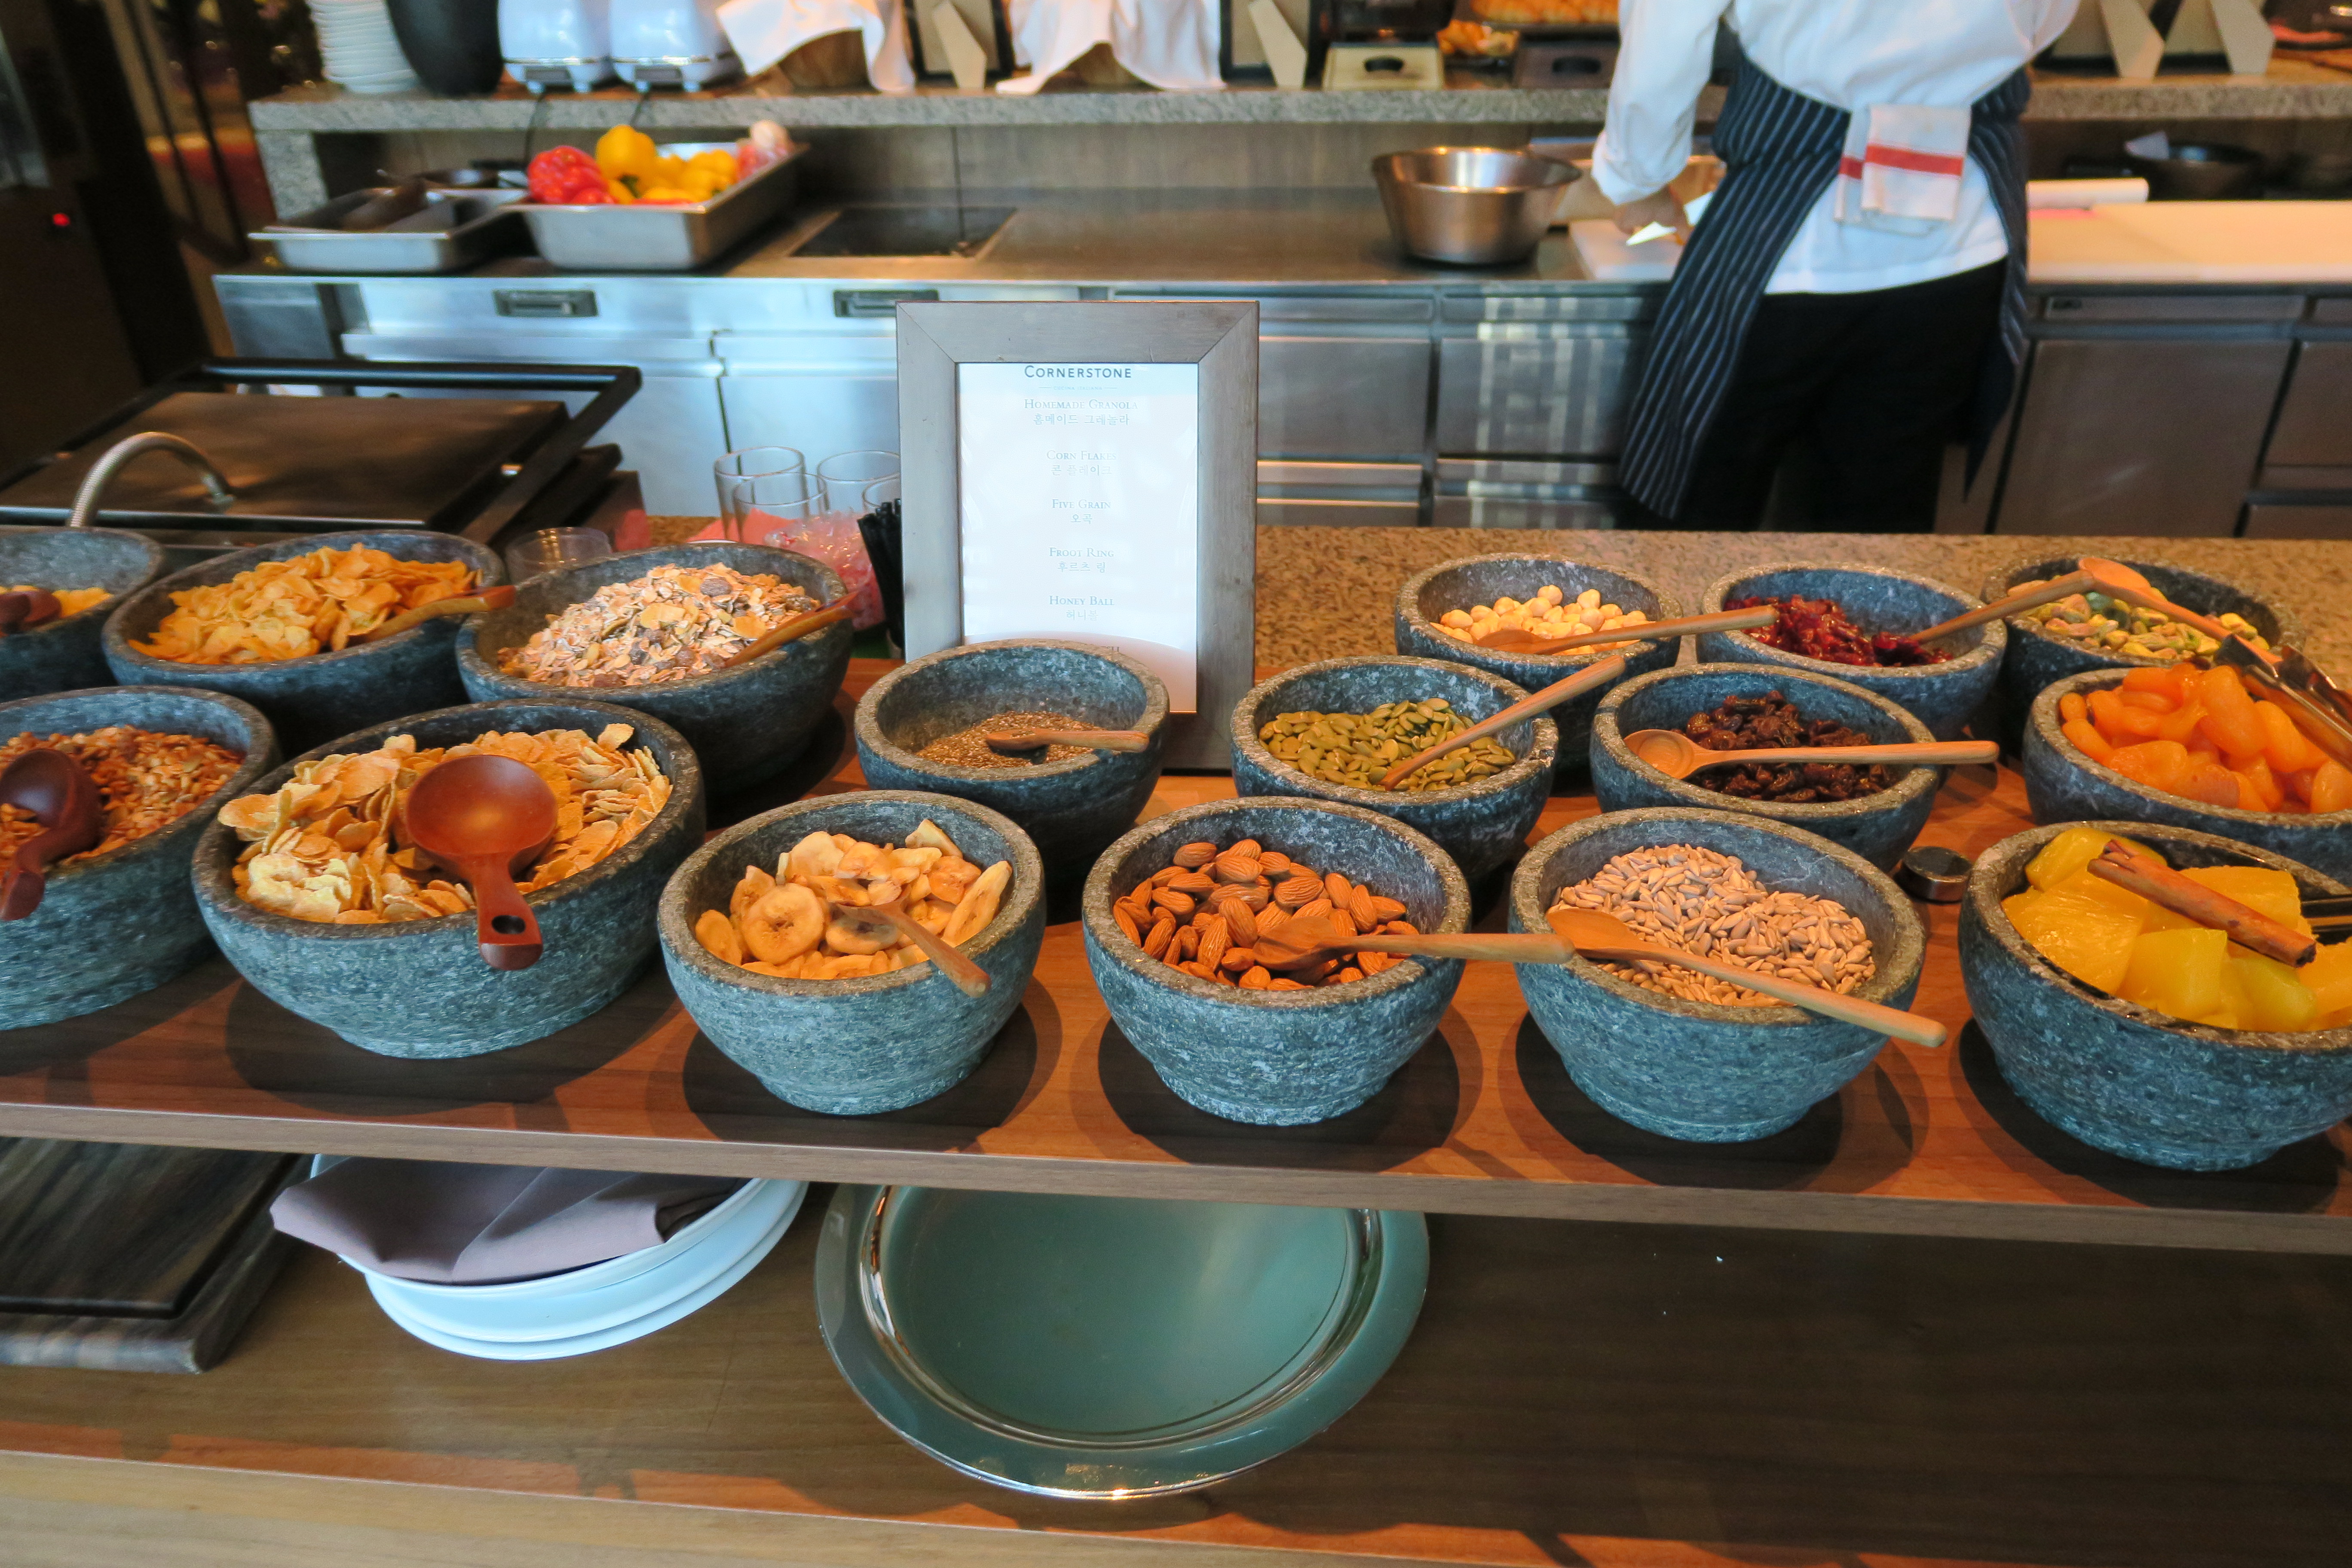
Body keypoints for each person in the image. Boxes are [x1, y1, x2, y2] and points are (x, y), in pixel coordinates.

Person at [1592, 0, 2081, 531]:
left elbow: (1666, 34)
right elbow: (2048, 20)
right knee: (1876, 539)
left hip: (1786, 247)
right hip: (1959, 241)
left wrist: (1639, 178)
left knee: (1693, 516)